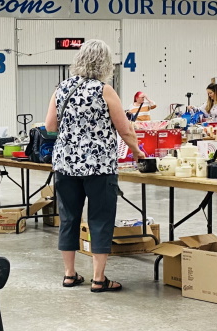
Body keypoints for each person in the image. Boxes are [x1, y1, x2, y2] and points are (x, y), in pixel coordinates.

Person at [44, 39, 142, 294]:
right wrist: (137, 152)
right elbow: (125, 129)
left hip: (65, 165)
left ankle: (69, 274)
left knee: (68, 218)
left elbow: (50, 127)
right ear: (105, 63)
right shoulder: (104, 90)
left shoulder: (62, 88)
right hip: (99, 167)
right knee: (100, 219)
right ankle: (99, 279)